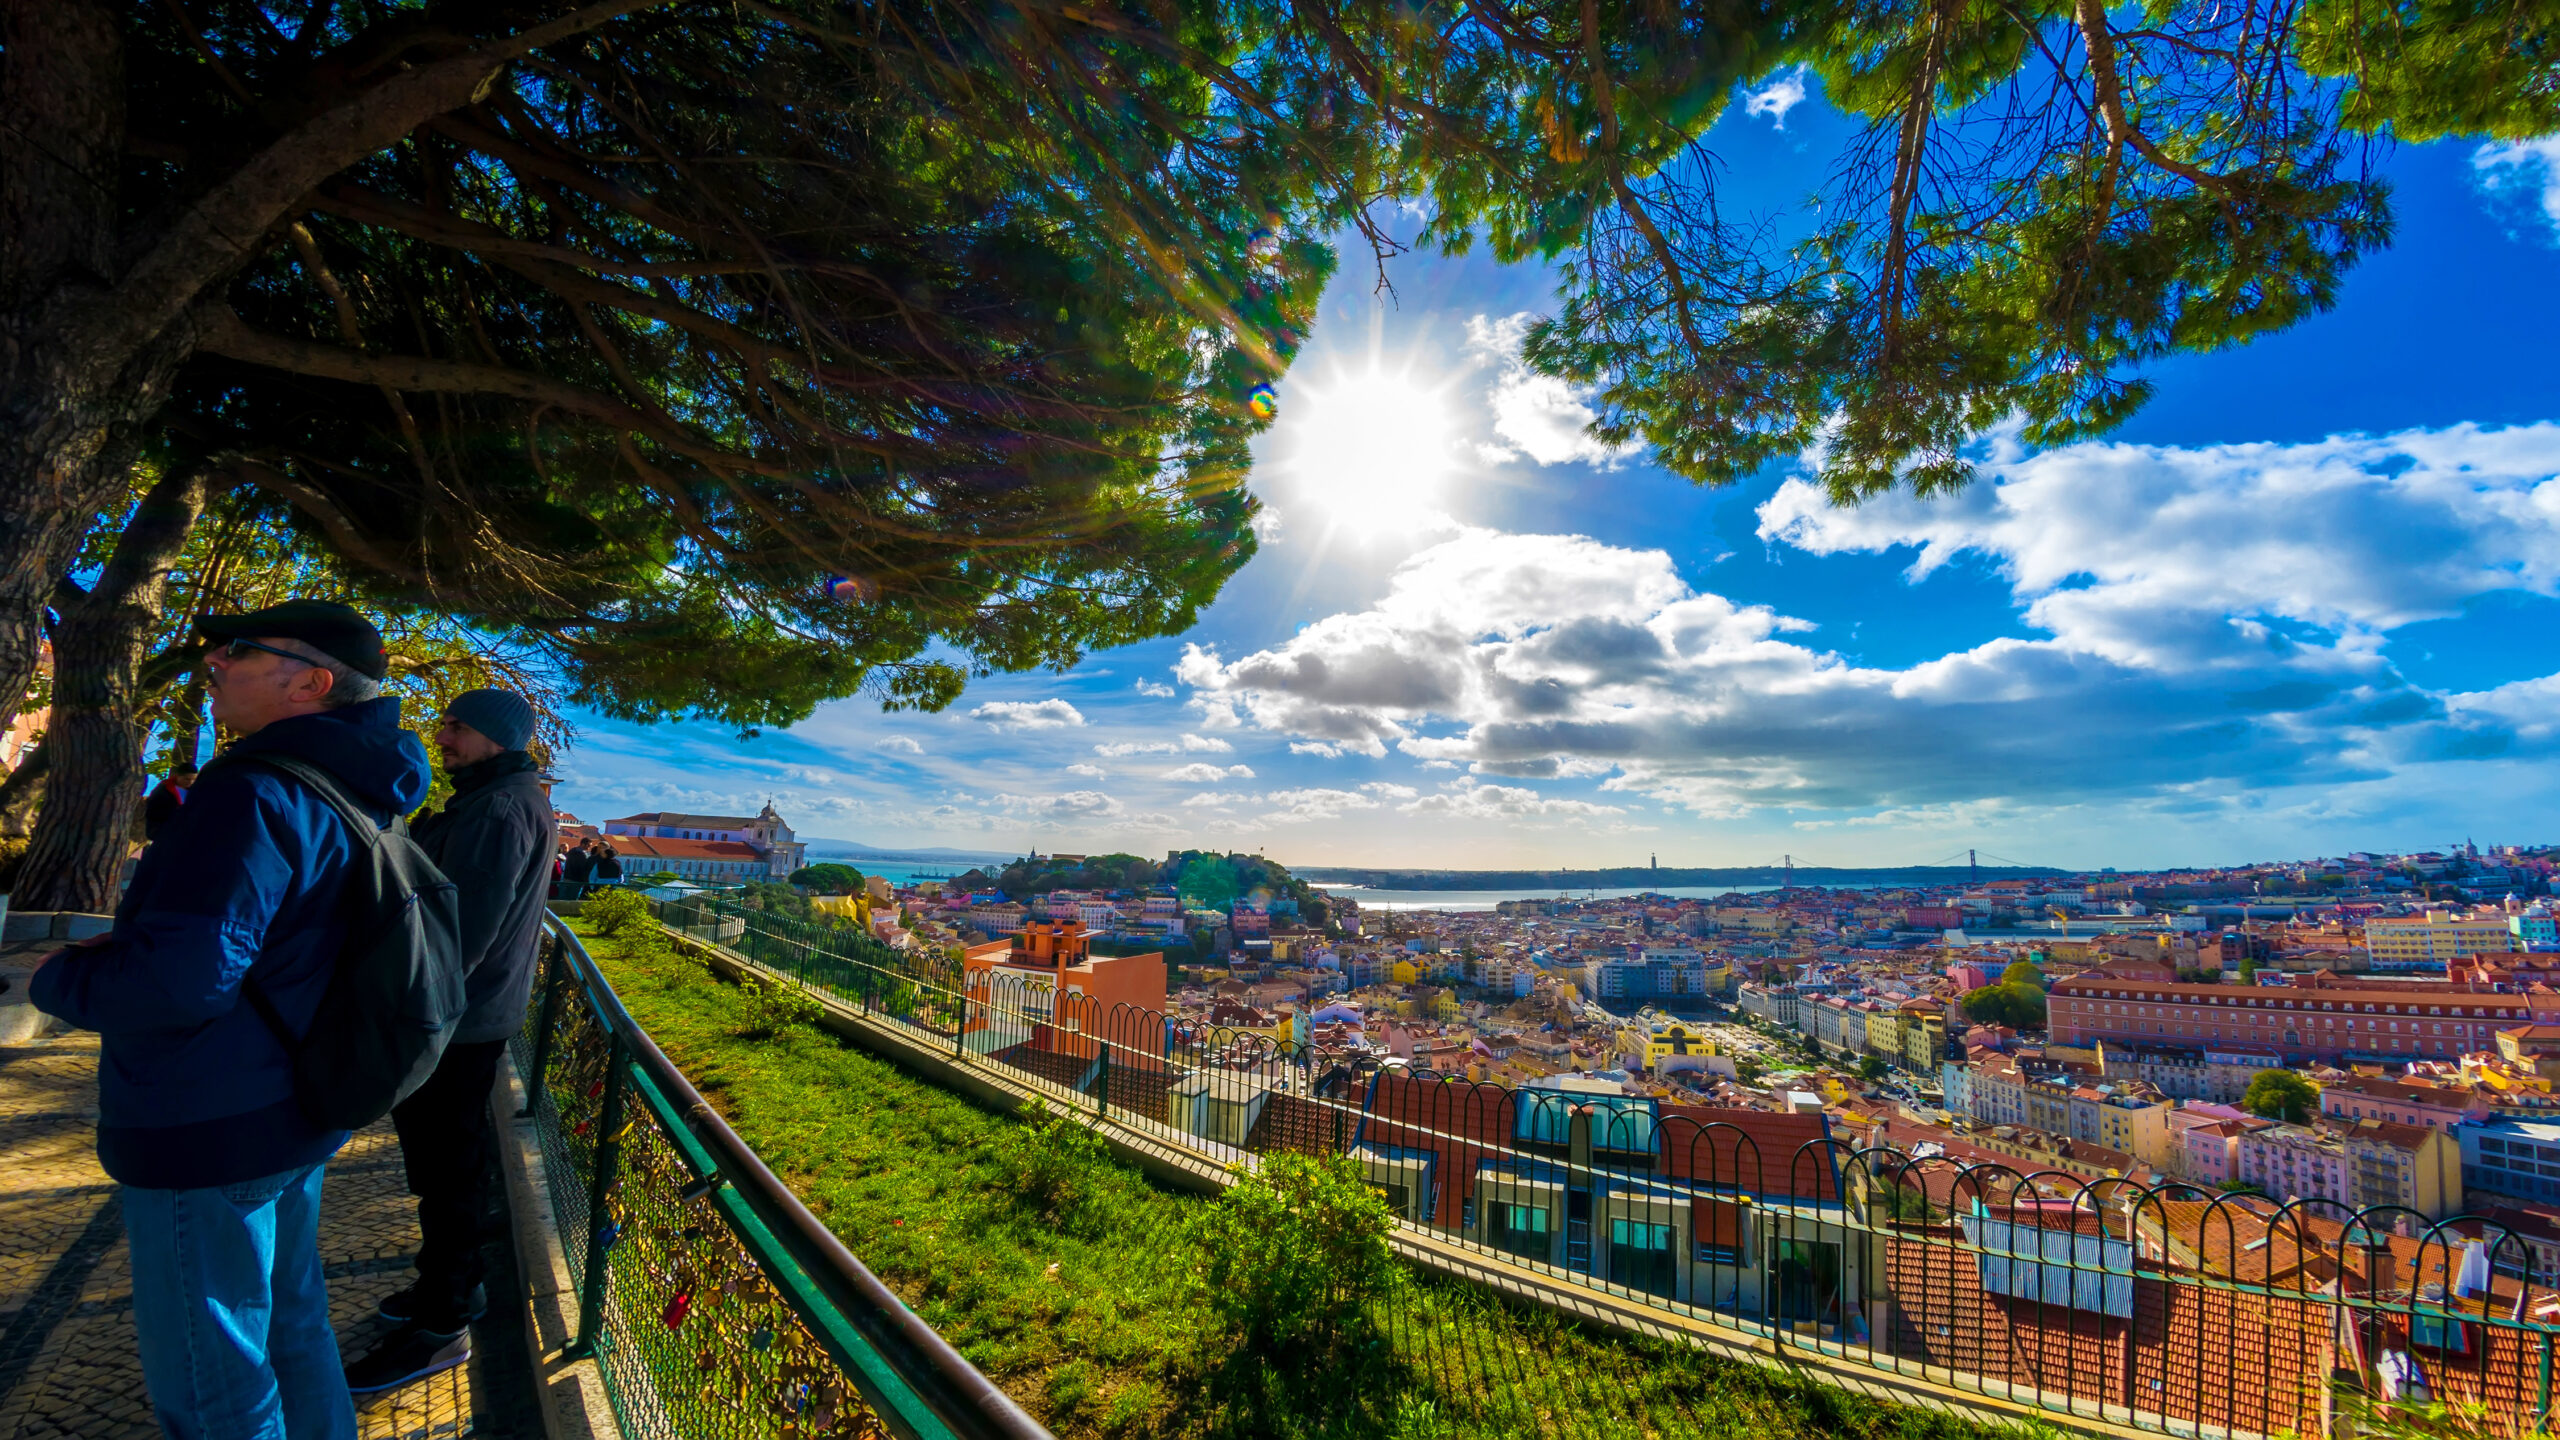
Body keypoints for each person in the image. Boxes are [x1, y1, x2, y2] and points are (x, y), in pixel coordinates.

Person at [29, 599, 430, 1440]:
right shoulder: (357, 792)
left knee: (216, 1379)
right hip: (293, 1107)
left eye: (240, 652)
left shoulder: (252, 791)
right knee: (289, 1330)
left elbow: (182, 980)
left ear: (311, 683)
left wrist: (60, 980)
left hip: (206, 1119)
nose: (213, 664)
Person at [344, 689, 556, 1391]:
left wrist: (405, 1005)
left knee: (446, 1172)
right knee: (444, 1168)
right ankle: (450, 1286)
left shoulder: (497, 808)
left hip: (454, 1018)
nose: (443, 735)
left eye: (457, 726)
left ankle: (442, 1323)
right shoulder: (496, 797)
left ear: (496, 737)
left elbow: (460, 930)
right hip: (465, 1014)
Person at [141, 758, 198, 841]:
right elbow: (152, 813)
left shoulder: (195, 792)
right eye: (187, 779)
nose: (190, 782)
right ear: (178, 776)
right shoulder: (163, 791)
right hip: (164, 833)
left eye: (193, 779)